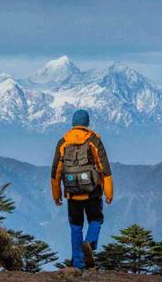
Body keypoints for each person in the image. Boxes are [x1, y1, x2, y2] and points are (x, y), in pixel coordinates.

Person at [51, 109, 113, 270]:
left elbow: (56, 172)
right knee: (96, 219)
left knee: (75, 226)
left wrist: (56, 194)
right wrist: (108, 192)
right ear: (87, 123)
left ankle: (78, 264)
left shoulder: (63, 141)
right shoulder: (94, 140)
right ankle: (90, 242)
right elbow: (104, 167)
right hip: (93, 191)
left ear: (73, 123)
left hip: (72, 192)